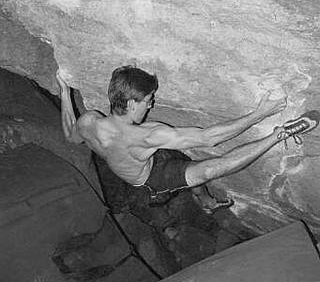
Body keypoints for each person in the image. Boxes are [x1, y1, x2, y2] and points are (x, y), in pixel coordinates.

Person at [56, 65, 319, 212]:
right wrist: (258, 114)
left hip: (145, 155)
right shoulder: (149, 134)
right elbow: (208, 139)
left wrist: (64, 91)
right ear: (131, 102)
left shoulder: (89, 121)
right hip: (152, 180)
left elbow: (70, 135)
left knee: (181, 157)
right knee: (207, 169)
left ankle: (205, 201)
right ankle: (280, 134)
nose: (152, 104)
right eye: (148, 100)